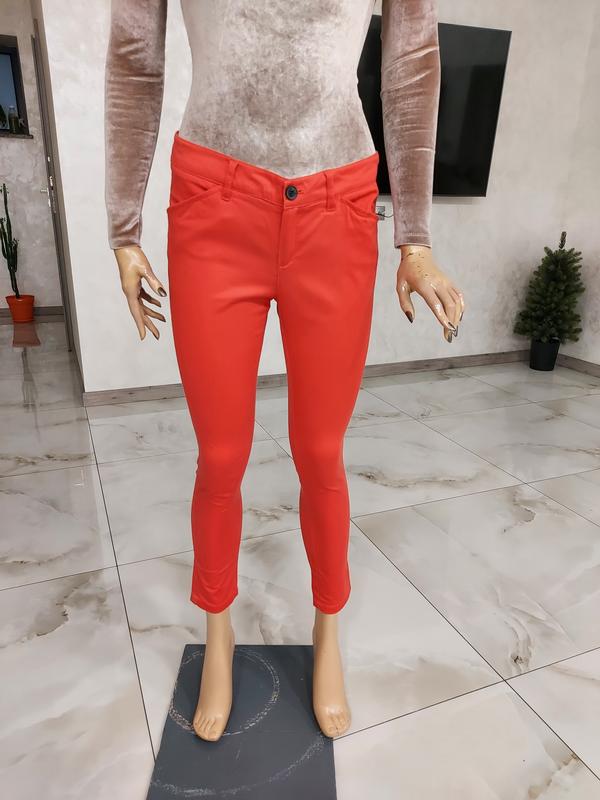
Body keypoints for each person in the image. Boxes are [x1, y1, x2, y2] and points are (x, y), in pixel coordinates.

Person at [104, 0, 464, 743]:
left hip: (338, 201)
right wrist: (123, 228)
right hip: (212, 200)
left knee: (321, 451)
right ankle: (218, 633)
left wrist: (416, 238)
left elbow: (410, 61)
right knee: (220, 455)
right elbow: (136, 55)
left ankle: (328, 632)